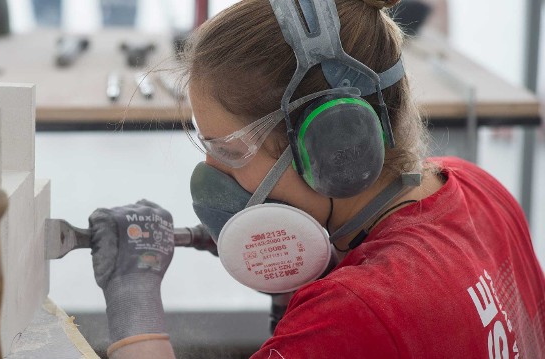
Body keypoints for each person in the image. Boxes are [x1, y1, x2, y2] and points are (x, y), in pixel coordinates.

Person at [88, 0, 545, 358]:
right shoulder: (477, 187)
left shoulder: (353, 313)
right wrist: (313, 263)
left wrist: (135, 306)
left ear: (335, 146)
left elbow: (377, 317)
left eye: (228, 151)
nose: (213, 174)